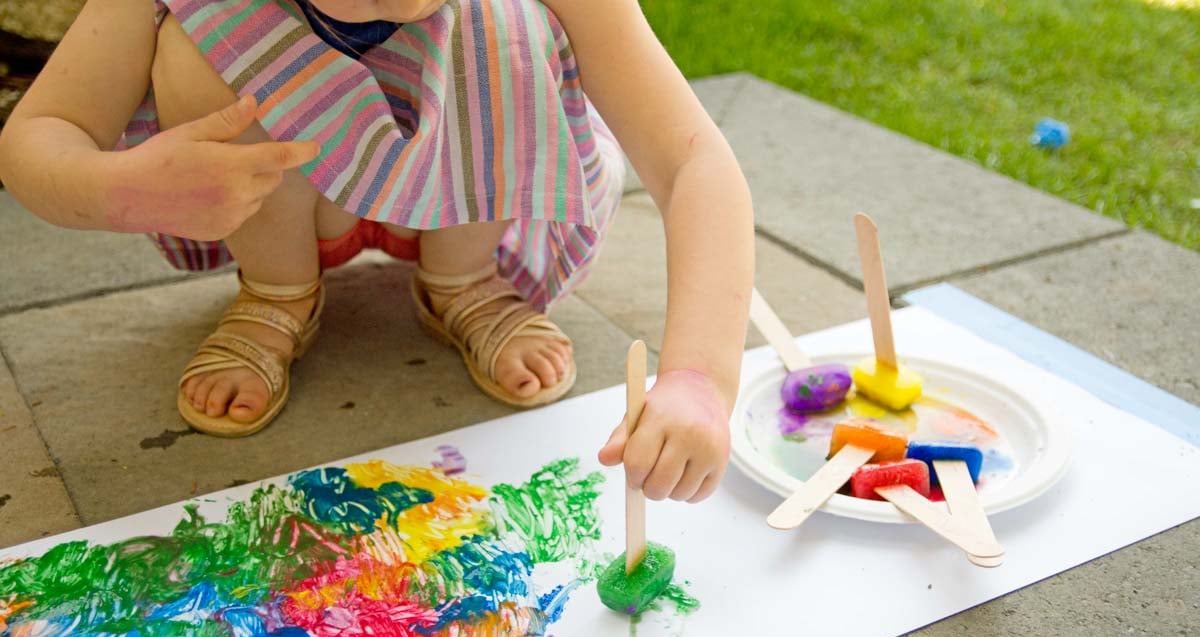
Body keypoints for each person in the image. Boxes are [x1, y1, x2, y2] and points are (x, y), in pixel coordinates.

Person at [0, 0, 755, 504]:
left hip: (469, 190)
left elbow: (693, 162)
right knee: (200, 39)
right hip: (299, 193)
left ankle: (464, 279)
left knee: (508, 27)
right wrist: (117, 189)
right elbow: (38, 137)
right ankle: (277, 289)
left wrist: (698, 379)